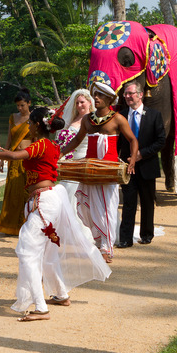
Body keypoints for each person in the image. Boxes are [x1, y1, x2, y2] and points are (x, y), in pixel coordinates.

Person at [0, 107, 111, 322]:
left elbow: (14, 155)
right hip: (49, 200)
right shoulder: (51, 145)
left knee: (27, 251)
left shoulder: (40, 145)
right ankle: (61, 295)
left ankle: (40, 307)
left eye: (30, 123)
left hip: (43, 201)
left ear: (38, 125)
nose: (28, 126)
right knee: (47, 252)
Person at [61, 81, 138, 263]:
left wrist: (132, 159)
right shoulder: (88, 120)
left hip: (107, 171)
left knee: (106, 209)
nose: (96, 98)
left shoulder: (118, 119)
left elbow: (133, 139)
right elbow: (77, 141)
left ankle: (107, 247)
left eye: (100, 96)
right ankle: (98, 240)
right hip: (89, 170)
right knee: (85, 207)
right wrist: (60, 152)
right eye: (95, 95)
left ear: (110, 99)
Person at [117, 83, 166, 247]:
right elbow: (117, 142)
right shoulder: (121, 116)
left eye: (130, 93)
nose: (128, 97)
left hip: (147, 165)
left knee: (147, 202)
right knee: (128, 203)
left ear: (140, 94)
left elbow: (161, 141)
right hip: (127, 168)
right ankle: (125, 238)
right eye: (125, 94)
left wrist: (141, 154)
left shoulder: (154, 115)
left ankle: (146, 234)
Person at [54, 88, 95, 239]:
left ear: (90, 103)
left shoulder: (93, 119)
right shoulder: (72, 119)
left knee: (76, 193)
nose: (79, 105)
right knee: (63, 192)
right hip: (70, 161)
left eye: (82, 102)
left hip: (85, 160)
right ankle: (65, 231)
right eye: (77, 103)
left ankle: (84, 232)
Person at [0, 88, 33, 236]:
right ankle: (10, 225)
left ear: (29, 103)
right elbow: (9, 139)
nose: (20, 108)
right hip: (13, 157)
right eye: (18, 105)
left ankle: (26, 224)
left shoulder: (33, 118)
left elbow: (36, 139)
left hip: (27, 158)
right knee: (12, 191)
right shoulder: (13, 117)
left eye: (22, 105)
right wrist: (3, 157)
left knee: (26, 191)